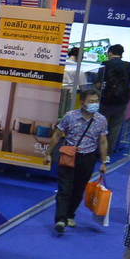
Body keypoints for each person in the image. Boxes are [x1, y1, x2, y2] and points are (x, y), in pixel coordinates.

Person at [47, 89, 110, 235]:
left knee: (78, 189)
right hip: (68, 155)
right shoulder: (70, 116)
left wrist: (103, 162)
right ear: (82, 102)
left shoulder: (101, 120)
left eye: (96, 101)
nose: (94, 104)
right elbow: (57, 135)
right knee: (64, 189)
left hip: (88, 158)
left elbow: (103, 141)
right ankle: (60, 219)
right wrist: (48, 153)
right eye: (91, 101)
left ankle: (70, 215)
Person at [96, 43, 130, 156]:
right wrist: (126, 92)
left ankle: (97, 150)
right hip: (122, 102)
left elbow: (98, 84)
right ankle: (107, 154)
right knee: (115, 128)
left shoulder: (105, 64)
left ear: (110, 53)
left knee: (100, 126)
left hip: (105, 100)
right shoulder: (129, 66)